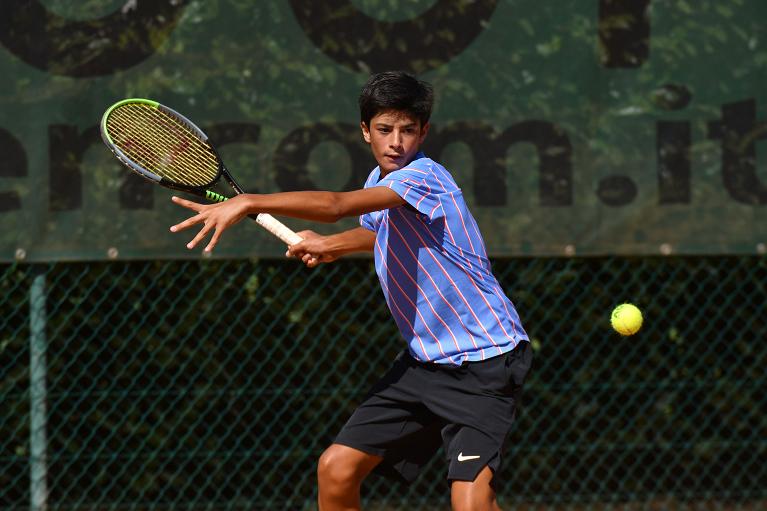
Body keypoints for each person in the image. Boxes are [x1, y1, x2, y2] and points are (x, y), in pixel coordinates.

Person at [169, 71, 532, 511]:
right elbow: (375, 232)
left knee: (471, 502)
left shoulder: (425, 177)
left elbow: (336, 207)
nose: (396, 142)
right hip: (424, 364)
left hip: (486, 362)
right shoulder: (379, 180)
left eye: (408, 130)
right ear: (365, 131)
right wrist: (330, 246)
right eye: (384, 130)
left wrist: (251, 200)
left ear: (424, 133)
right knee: (336, 469)